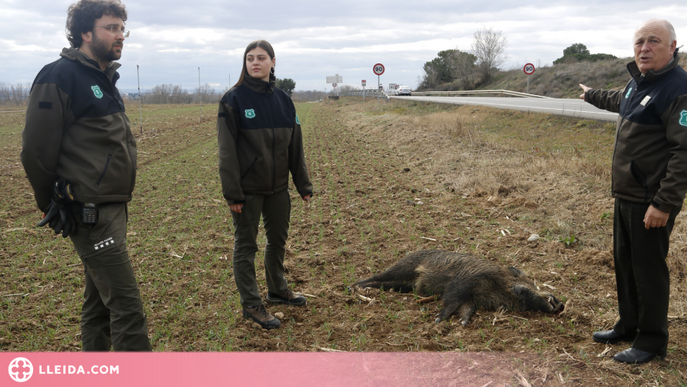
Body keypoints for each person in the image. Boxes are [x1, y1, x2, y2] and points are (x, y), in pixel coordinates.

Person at [21, 0, 151, 351]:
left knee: (99, 309)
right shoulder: (59, 76)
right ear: (85, 32)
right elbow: (36, 151)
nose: (119, 35)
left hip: (112, 207)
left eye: (122, 28)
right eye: (111, 27)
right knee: (127, 309)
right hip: (90, 213)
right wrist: (53, 203)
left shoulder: (104, 78)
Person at [579, 19, 687, 364]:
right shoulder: (638, 83)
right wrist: (590, 94)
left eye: (654, 41)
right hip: (627, 194)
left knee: (648, 270)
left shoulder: (678, 89)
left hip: (650, 200)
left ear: (673, 47)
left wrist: (664, 203)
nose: (644, 48)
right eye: (639, 41)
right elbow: (619, 100)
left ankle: (651, 341)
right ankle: (629, 325)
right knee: (625, 265)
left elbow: (684, 153)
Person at [217, 40, 313, 329]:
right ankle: (251, 303)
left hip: (278, 189)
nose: (254, 63)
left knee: (277, 241)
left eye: (261, 58)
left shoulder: (284, 100)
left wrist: (303, 185)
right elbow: (227, 152)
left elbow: (296, 145)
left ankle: (277, 289)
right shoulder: (233, 100)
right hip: (247, 191)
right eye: (249, 58)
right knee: (246, 246)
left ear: (273, 62)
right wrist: (233, 192)